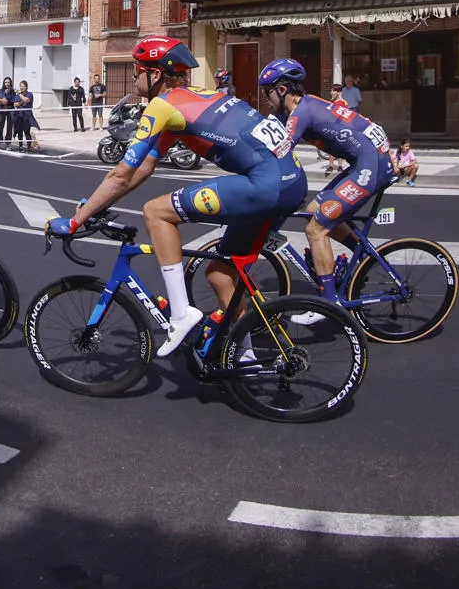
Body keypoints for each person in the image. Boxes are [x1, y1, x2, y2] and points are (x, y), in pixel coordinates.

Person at [50, 36, 306, 355]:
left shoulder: (162, 106)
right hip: (293, 181)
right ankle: (247, 358)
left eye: (137, 70)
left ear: (155, 75)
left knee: (156, 212)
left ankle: (181, 314)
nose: (133, 77)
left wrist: (76, 221)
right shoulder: (199, 95)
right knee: (221, 274)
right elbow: (142, 169)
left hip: (266, 186)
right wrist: (95, 205)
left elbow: (121, 174)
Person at [257, 58, 393, 300]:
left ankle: (330, 303)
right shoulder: (299, 107)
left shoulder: (301, 113)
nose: (266, 99)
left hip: (372, 164)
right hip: (366, 160)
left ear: (281, 90)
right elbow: (263, 136)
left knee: (316, 229)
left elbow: (280, 154)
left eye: (268, 93)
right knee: (313, 211)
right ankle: (363, 259)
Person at [15, 80, 39, 149]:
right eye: (20, 86)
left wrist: (20, 95)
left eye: (23, 86)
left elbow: (26, 100)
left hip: (26, 116)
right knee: (19, 132)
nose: (21, 88)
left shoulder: (29, 94)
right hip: (19, 115)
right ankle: (20, 146)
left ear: (26, 87)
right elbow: (15, 104)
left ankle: (29, 147)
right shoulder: (17, 95)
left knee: (26, 131)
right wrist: (21, 102)